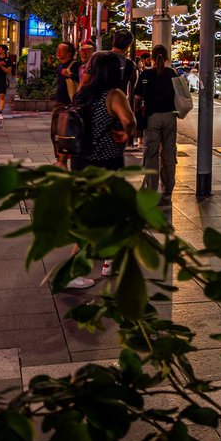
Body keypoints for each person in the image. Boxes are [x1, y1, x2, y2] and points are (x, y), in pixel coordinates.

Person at [67, 51, 137, 289]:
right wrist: (126, 132)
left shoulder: (83, 94)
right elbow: (130, 121)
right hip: (106, 165)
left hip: (81, 163)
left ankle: (105, 261)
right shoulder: (114, 95)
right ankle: (81, 268)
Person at [136, 43, 178, 200]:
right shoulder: (172, 73)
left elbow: (137, 95)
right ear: (167, 58)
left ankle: (151, 187)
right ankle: (168, 186)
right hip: (170, 117)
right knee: (168, 153)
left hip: (152, 117)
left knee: (151, 153)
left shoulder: (146, 75)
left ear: (152, 58)